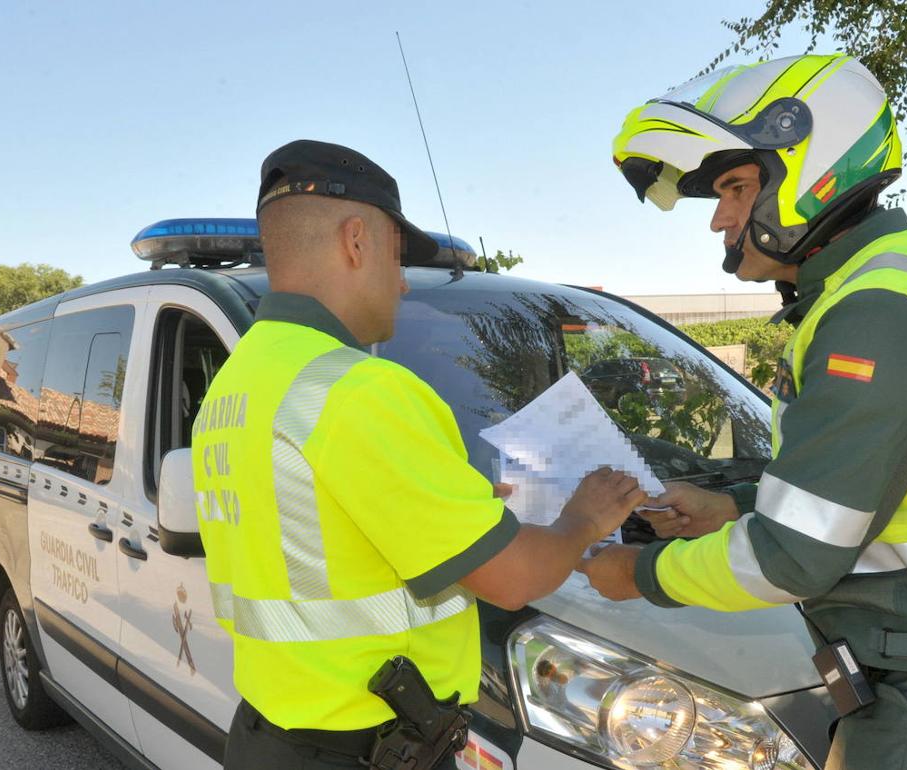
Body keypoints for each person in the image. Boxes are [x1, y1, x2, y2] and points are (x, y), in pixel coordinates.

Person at [581, 55, 907, 769]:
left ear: (812, 171)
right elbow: (864, 489)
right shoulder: (886, 289)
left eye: (737, 189)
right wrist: (733, 507)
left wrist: (637, 576)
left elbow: (793, 557)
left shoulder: (880, 311)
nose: (720, 218)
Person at [192, 139, 646, 770]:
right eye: (399, 258)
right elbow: (513, 580)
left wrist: (446, 509)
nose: (403, 283)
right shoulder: (358, 388)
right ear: (357, 240)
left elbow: (315, 534)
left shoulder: (239, 381)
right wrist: (585, 519)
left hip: (270, 737)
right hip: (364, 748)